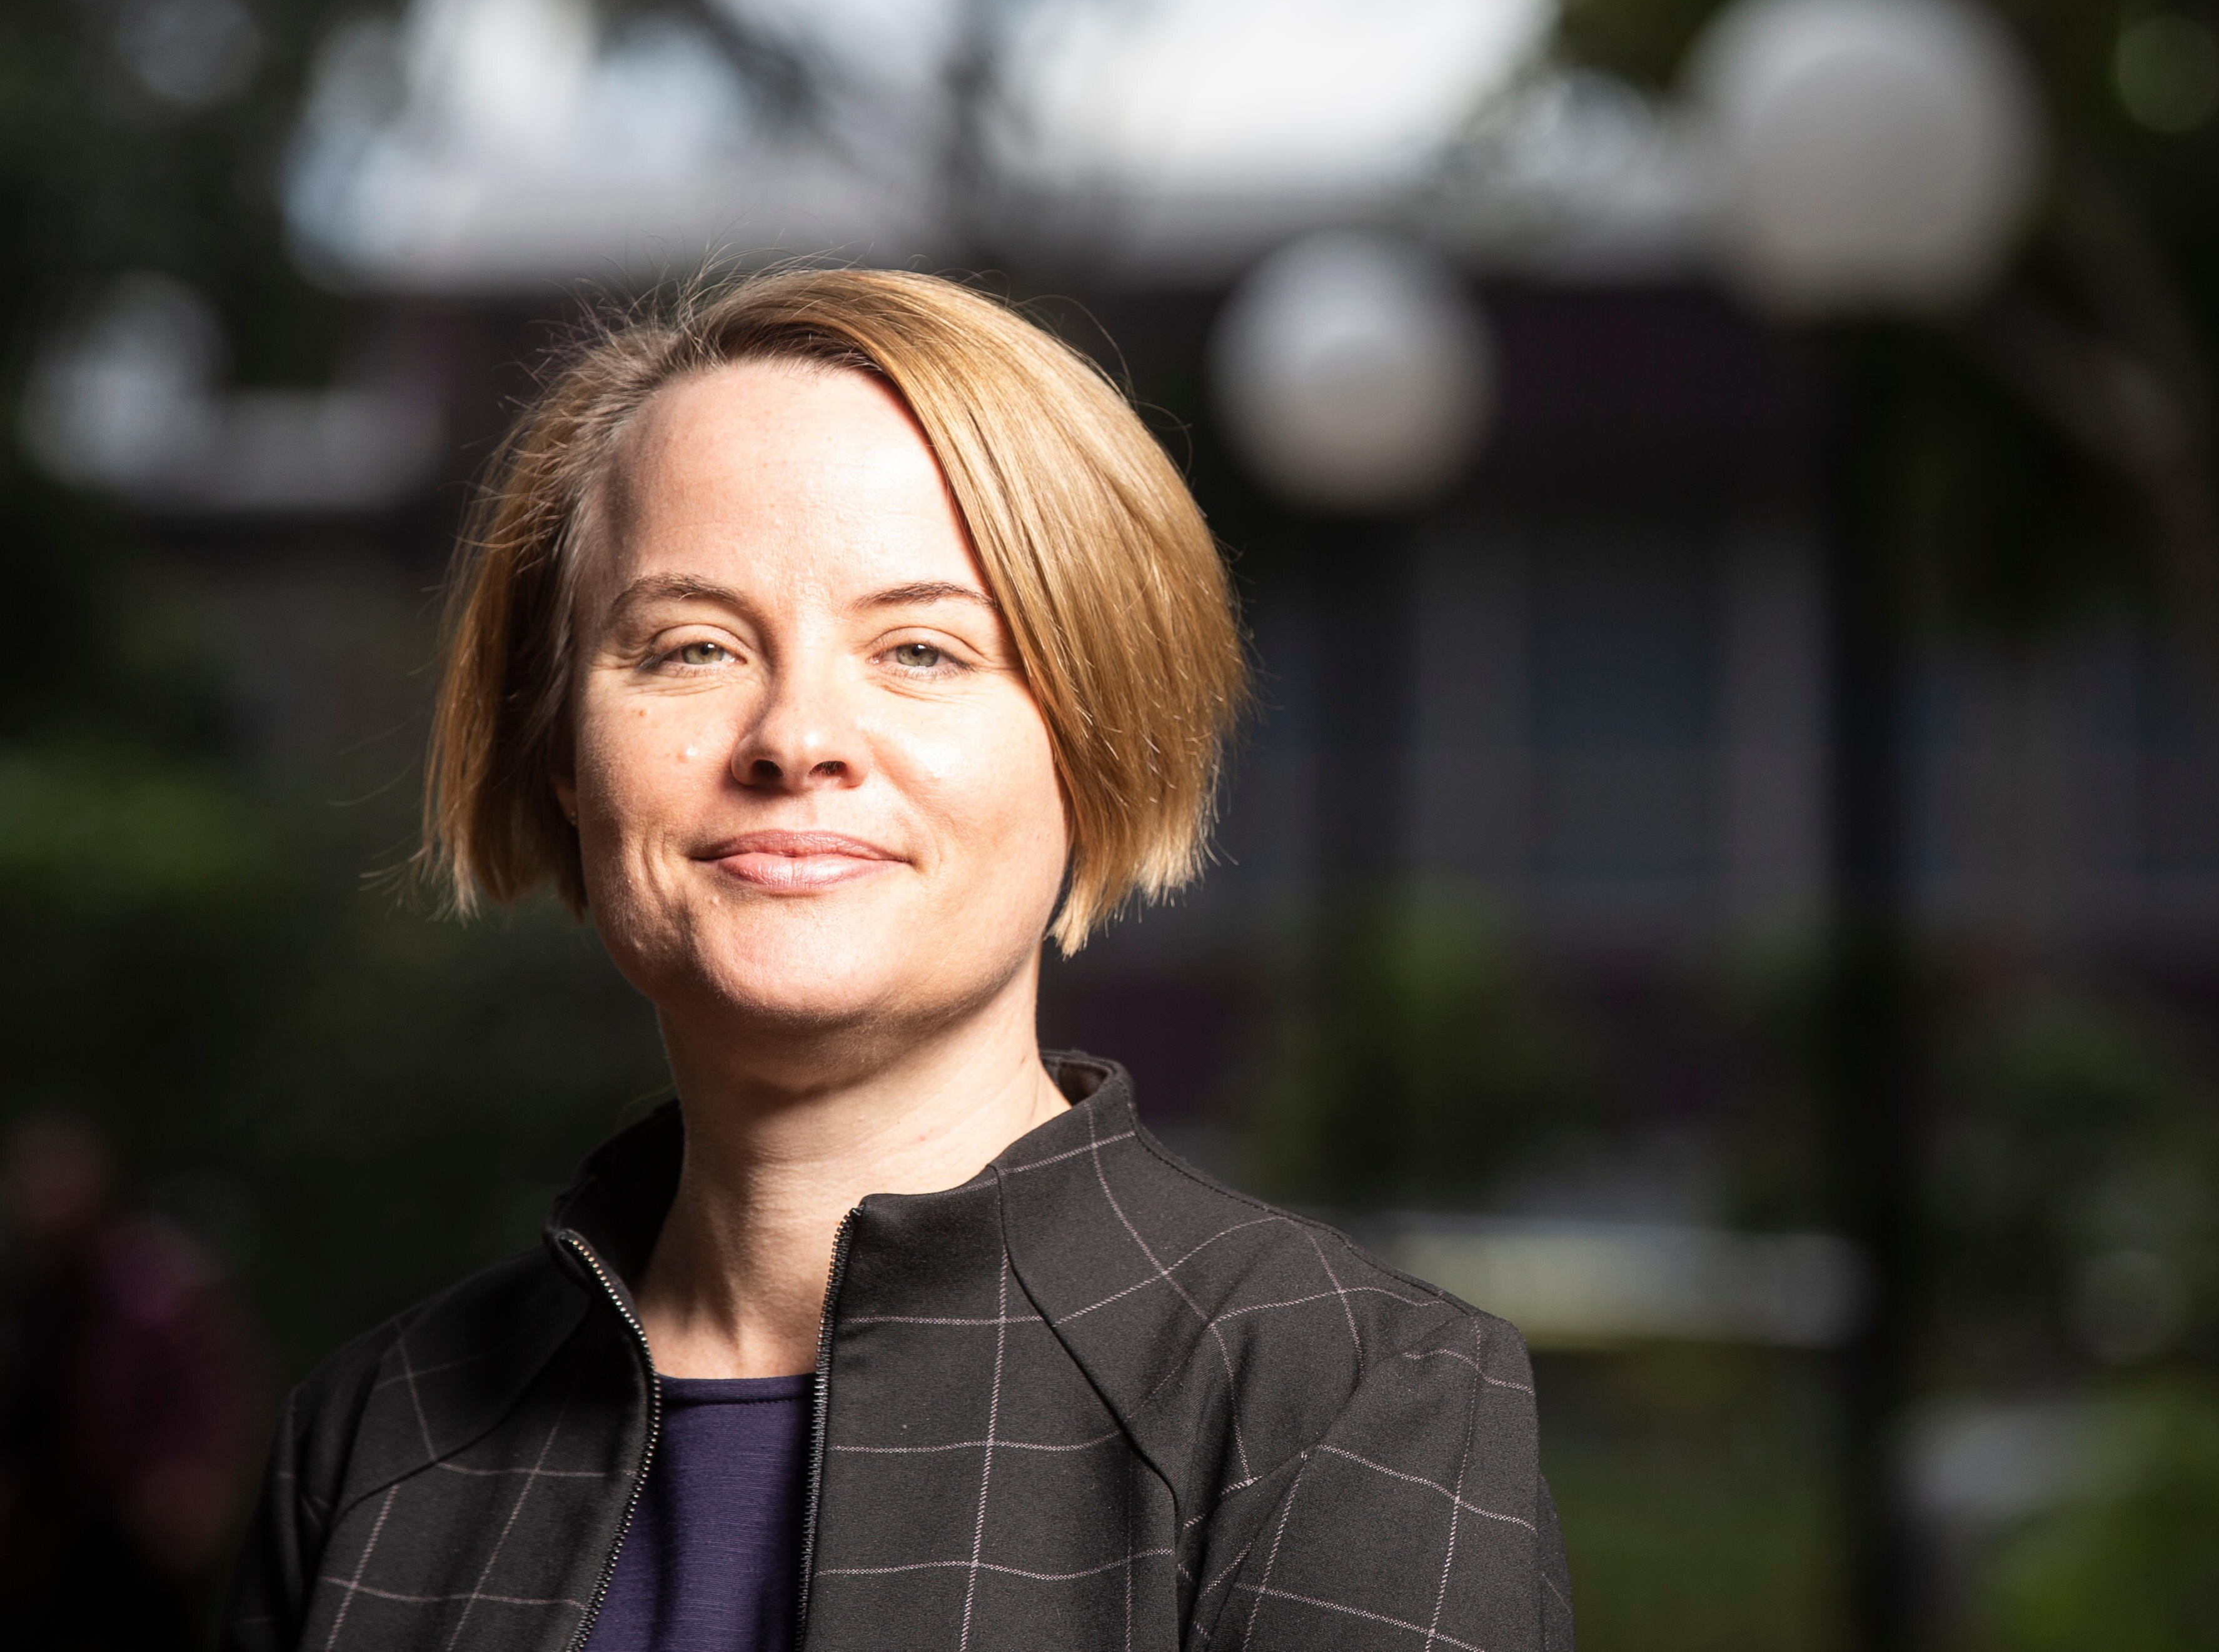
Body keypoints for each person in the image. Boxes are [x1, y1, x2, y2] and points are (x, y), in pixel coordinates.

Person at [223, 269, 1572, 1652]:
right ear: (561, 750)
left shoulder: (1347, 1402)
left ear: (1097, 743)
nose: (796, 735)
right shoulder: (373, 1440)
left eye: (921, 648)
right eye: (691, 646)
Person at [0, 1115, 254, 1651]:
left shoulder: (152, 1288)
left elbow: (211, 1396)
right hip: (61, 1537)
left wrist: (195, 1486)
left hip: (140, 1535)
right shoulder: (48, 1301)